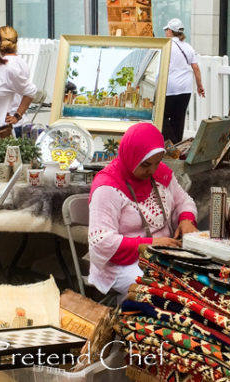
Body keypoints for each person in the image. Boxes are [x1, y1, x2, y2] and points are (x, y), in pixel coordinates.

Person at [88, 123, 198, 295]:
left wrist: (186, 219)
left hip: (162, 255)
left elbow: (183, 200)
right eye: (146, 165)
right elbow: (102, 242)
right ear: (132, 156)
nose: (152, 170)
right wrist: (151, 244)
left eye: (157, 163)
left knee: (198, 281)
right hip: (121, 265)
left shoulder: (160, 173)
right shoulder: (107, 187)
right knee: (162, 290)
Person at [162, 18, 205, 144]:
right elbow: (195, 68)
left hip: (169, 88)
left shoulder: (166, 45)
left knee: (162, 117)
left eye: (166, 30)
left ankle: (173, 145)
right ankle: (177, 146)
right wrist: (199, 86)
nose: (165, 32)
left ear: (170, 31)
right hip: (185, 89)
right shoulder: (188, 47)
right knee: (179, 119)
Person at [0, 25, 35, 136]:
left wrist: (16, 115)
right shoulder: (21, 62)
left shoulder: (4, 64)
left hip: (9, 123)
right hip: (21, 121)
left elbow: (30, 91)